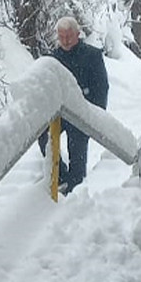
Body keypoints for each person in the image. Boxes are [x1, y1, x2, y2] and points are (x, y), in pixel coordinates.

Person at [37, 16, 110, 192]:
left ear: (78, 34)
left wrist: (95, 114)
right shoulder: (53, 59)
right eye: (61, 36)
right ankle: (61, 176)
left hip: (83, 114)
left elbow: (102, 87)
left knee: (77, 150)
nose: (65, 40)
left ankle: (75, 189)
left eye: (69, 35)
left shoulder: (92, 55)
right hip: (59, 114)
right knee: (43, 137)